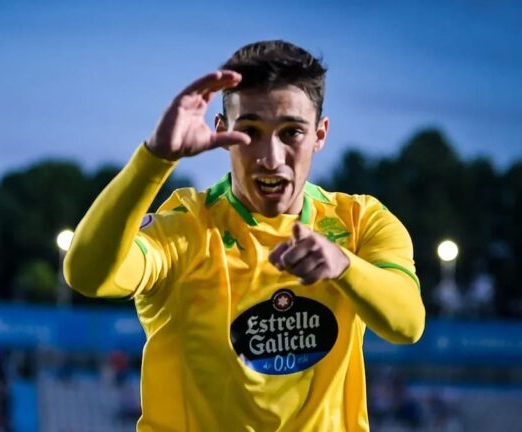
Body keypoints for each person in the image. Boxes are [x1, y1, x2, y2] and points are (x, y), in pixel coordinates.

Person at [64, 40, 426, 430]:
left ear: (320, 134)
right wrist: (155, 158)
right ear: (221, 130)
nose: (270, 157)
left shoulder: (359, 222)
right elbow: (87, 275)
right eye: (250, 131)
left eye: (292, 133)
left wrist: (344, 266)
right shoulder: (188, 228)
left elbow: (407, 324)